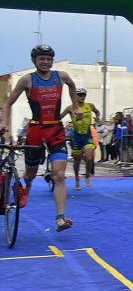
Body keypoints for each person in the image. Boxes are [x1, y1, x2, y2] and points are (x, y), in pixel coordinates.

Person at [0, 44, 81, 232]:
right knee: (29, 174)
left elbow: (72, 86)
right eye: (41, 59)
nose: (45, 62)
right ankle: (25, 187)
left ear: (52, 61)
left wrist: (75, 107)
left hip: (56, 130)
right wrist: (5, 126)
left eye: (48, 59)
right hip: (36, 130)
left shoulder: (61, 76)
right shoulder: (26, 80)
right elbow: (8, 103)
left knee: (59, 175)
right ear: (34, 61)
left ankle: (60, 219)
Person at [60, 87, 98, 190]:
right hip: (76, 137)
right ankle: (77, 179)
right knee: (77, 161)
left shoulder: (89, 106)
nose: (82, 97)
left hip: (87, 136)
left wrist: (97, 119)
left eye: (83, 95)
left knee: (89, 157)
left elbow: (97, 111)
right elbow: (59, 117)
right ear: (75, 96)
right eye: (79, 95)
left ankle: (87, 175)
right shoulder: (70, 108)